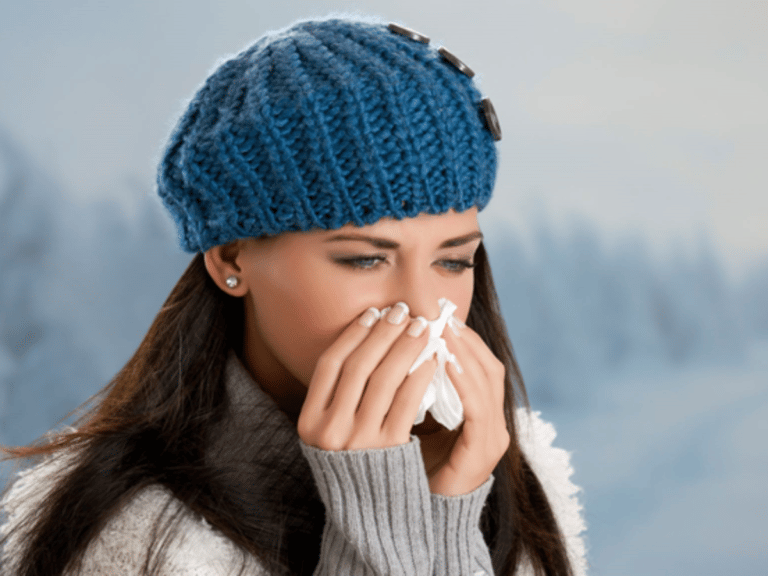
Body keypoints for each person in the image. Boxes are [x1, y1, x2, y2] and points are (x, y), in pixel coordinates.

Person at [0, 15, 587, 576]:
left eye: (453, 261)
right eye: (366, 259)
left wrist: (448, 512)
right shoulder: (130, 533)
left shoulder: (512, 479)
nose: (418, 309)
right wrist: (378, 522)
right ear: (231, 258)